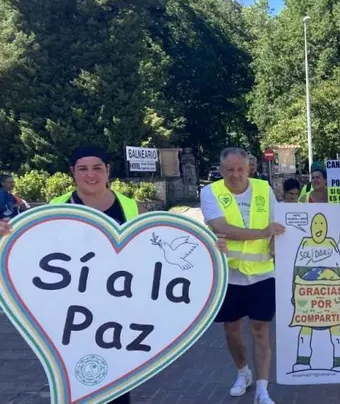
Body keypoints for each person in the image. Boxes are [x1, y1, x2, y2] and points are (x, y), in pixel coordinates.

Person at [0, 146, 188, 404]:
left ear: (108, 171)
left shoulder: (131, 207)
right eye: (83, 169)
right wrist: (7, 236)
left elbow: (160, 247)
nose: (91, 175)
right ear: (72, 173)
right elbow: (33, 253)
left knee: (117, 383)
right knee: (75, 381)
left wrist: (207, 247)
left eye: (97, 167)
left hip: (118, 313)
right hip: (71, 315)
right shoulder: (57, 207)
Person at [200, 147, 286, 404]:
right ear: (221, 170)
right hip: (229, 275)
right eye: (229, 170)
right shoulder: (210, 191)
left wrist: (277, 246)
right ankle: (242, 373)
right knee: (232, 330)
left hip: (262, 275)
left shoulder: (263, 189)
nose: (235, 175)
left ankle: (262, 389)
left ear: (250, 167)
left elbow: (277, 227)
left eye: (240, 169)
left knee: (261, 330)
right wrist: (263, 233)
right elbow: (222, 227)